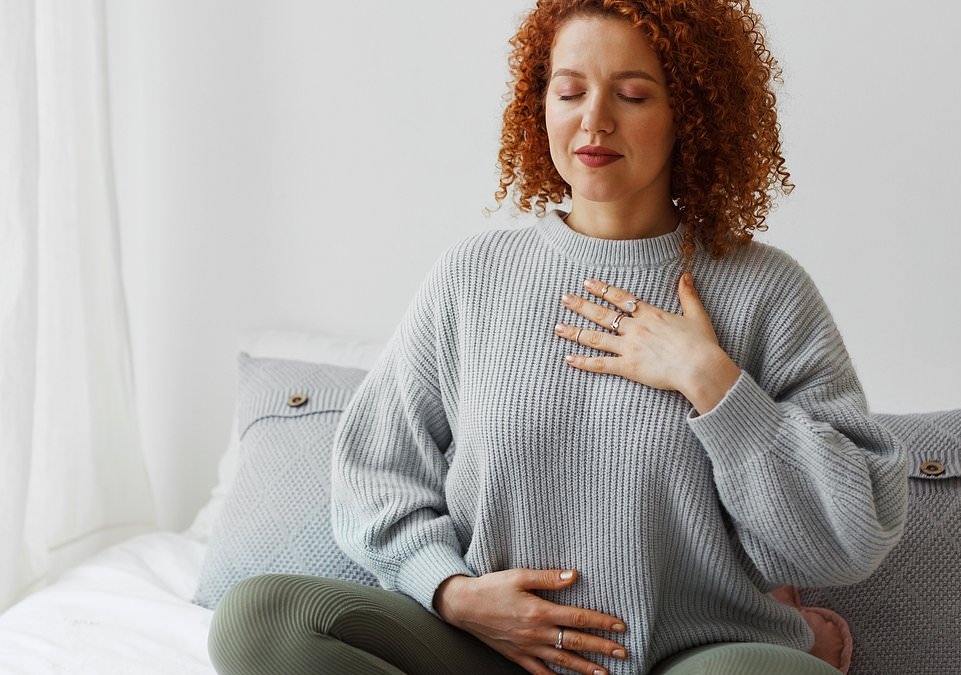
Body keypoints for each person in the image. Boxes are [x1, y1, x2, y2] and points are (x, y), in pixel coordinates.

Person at [208, 1, 908, 673]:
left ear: (688, 113)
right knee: (262, 618)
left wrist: (714, 383)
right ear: (538, 104)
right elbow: (372, 473)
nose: (594, 121)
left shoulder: (767, 291)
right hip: (488, 652)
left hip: (690, 654)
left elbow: (852, 534)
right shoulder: (472, 276)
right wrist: (451, 591)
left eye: (633, 95)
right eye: (569, 91)